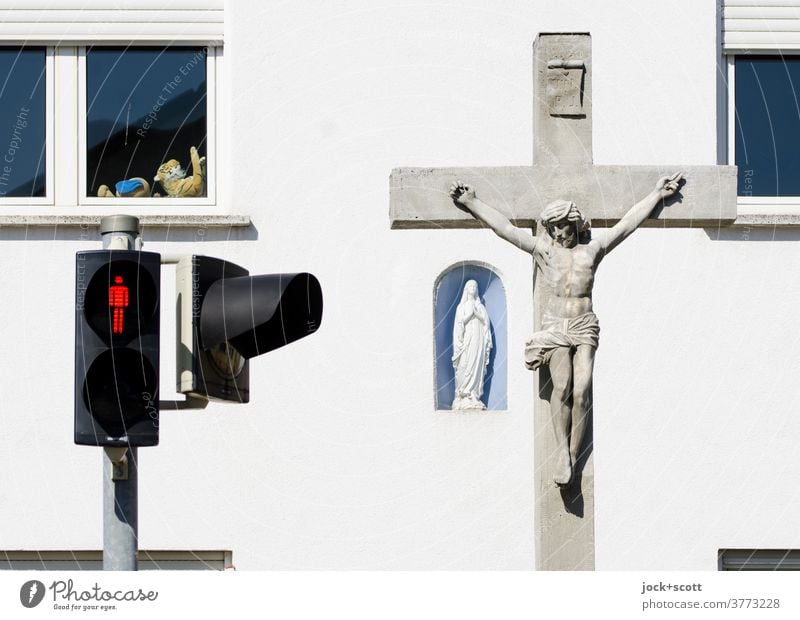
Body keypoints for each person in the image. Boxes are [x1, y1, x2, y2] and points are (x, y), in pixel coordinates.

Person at [449, 173, 682, 485]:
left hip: (584, 325)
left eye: (565, 225)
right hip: (556, 325)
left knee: (582, 390)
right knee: (562, 388)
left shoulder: (592, 251)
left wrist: (657, 195)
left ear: (575, 224)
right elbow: (505, 229)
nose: (560, 232)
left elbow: (626, 225)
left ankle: (572, 454)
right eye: (555, 226)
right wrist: (473, 202)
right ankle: (562, 452)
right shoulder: (544, 252)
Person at [451, 280, 493, 410]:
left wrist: (479, 315)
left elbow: (486, 323)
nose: (473, 288)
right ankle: (463, 393)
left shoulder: (480, 307)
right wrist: (470, 315)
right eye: (470, 286)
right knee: (465, 364)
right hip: (467, 339)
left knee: (477, 364)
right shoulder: (461, 307)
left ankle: (474, 393)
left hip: (478, 338)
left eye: (475, 286)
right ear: (466, 289)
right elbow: (459, 324)